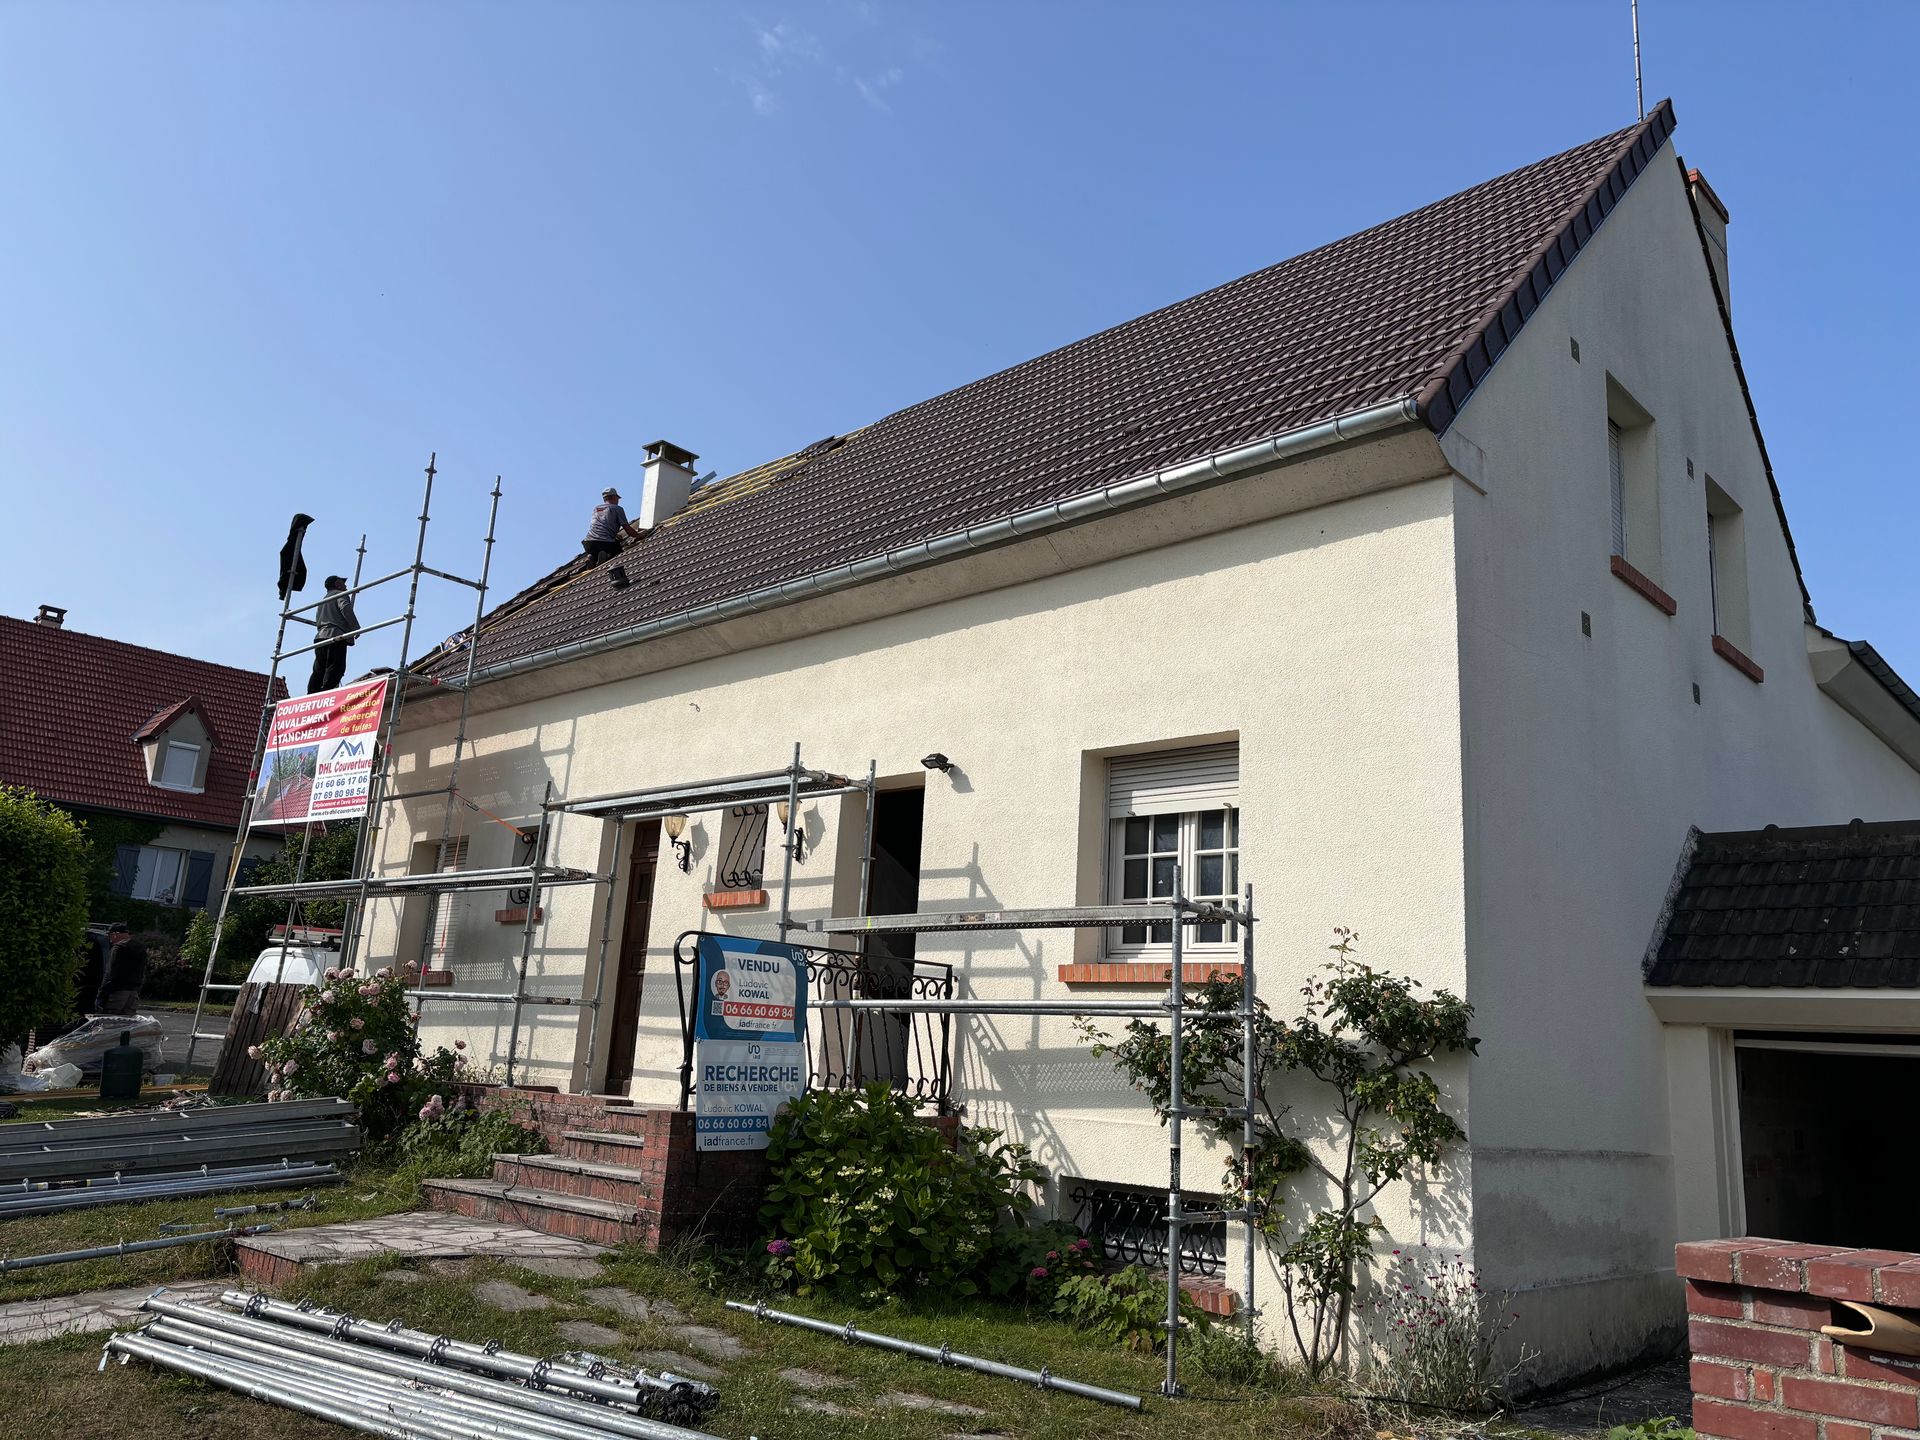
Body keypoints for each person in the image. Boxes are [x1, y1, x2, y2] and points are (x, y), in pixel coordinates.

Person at [309, 574, 359, 693]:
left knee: (319, 669)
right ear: (337, 584)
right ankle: (327, 691)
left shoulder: (323, 600)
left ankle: (312, 693)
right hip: (335, 635)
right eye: (343, 583)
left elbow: (318, 619)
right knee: (336, 667)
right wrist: (355, 628)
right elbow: (345, 609)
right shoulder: (339, 594)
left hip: (320, 637)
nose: (346, 586)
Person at [95, 923, 147, 1015]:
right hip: (133, 993)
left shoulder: (118, 948)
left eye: (110, 936)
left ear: (115, 934)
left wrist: (101, 995)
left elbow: (111, 974)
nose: (110, 940)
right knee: (127, 1021)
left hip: (117, 992)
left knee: (110, 1019)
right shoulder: (140, 947)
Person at [581, 487, 641, 566]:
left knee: (595, 550)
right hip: (604, 542)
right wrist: (639, 535)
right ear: (614, 497)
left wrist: (614, 535)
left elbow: (601, 525)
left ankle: (591, 557)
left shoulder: (597, 508)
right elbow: (627, 529)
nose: (618, 500)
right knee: (618, 551)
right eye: (617, 498)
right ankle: (605, 556)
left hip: (588, 543)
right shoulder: (617, 509)